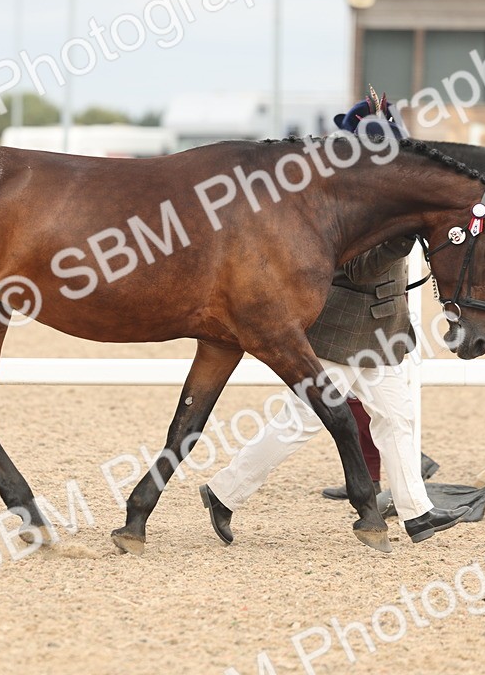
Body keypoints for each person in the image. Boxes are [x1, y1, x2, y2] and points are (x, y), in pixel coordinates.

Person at [198, 93, 469, 546]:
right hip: (343, 333)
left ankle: (416, 513)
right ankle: (224, 492)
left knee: (396, 420)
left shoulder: (383, 197)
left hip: (382, 333)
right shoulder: (340, 202)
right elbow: (350, 268)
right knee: (300, 423)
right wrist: (399, 241)